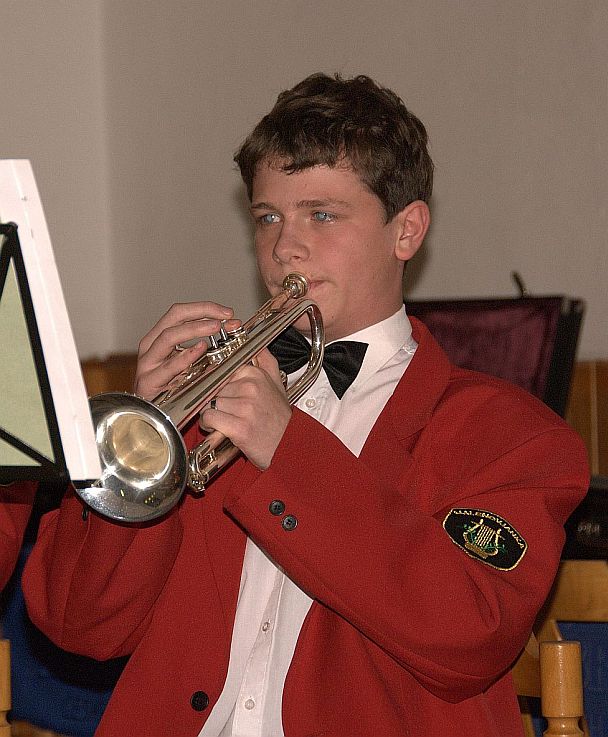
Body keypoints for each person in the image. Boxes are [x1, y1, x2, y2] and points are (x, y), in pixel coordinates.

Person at [22, 73, 589, 737]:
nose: (284, 247)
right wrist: (138, 444)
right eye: (268, 217)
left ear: (407, 231)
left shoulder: (511, 436)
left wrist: (288, 449)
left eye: (322, 215)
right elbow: (79, 626)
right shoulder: (208, 409)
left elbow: (470, 634)